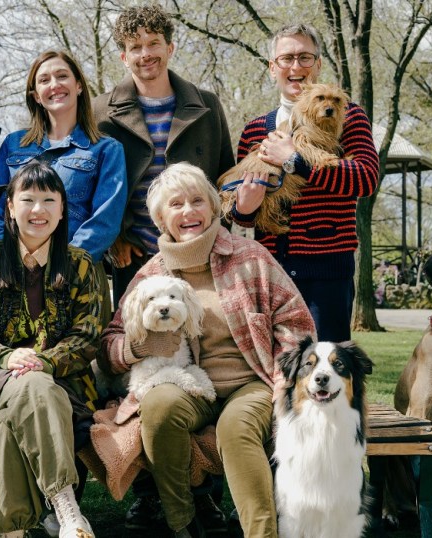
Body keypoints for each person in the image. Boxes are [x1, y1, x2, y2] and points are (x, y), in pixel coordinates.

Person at [101, 163, 315, 538]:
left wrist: (285, 382)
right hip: (186, 388)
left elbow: (296, 325)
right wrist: (140, 346)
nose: (189, 212)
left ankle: (261, 533)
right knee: (159, 406)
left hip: (250, 383)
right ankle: (181, 521)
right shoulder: (151, 274)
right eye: (176, 204)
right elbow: (110, 345)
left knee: (235, 429)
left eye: (198, 200)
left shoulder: (249, 257)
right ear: (161, 218)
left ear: (214, 207)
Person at [0, 162, 101, 538]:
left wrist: (45, 360)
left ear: (63, 209)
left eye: (49, 200)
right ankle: (66, 507)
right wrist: (6, 356)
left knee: (9, 426)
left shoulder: (82, 265)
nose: (38, 210)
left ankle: (13, 530)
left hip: (65, 383)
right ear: (9, 208)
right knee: (32, 385)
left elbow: (88, 335)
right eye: (28, 200)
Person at [231, 23, 380, 342]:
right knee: (276, 372)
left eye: (305, 57)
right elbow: (242, 212)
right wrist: (243, 209)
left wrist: (294, 161)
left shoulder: (347, 115)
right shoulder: (255, 129)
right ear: (273, 68)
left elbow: (366, 178)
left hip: (326, 271)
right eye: (286, 58)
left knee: (327, 372)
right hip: (271, 270)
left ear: (319, 64)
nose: (295, 67)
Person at [92, 4, 235, 310]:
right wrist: (115, 238)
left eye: (154, 43)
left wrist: (219, 240)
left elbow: (226, 180)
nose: (146, 54)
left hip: (198, 249)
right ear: (124, 57)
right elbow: (95, 187)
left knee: (203, 340)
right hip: (135, 254)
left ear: (169, 47)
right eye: (135, 47)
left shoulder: (206, 105)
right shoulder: (99, 112)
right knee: (143, 345)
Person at [0, 50, 127, 322]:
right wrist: (12, 258)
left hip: (76, 274)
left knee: (74, 361)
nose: (54, 85)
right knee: (17, 359)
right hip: (15, 274)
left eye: (62, 76)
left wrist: (62, 264)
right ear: (36, 95)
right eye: (44, 80)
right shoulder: (13, 145)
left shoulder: (106, 149)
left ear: (78, 86)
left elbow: (105, 220)